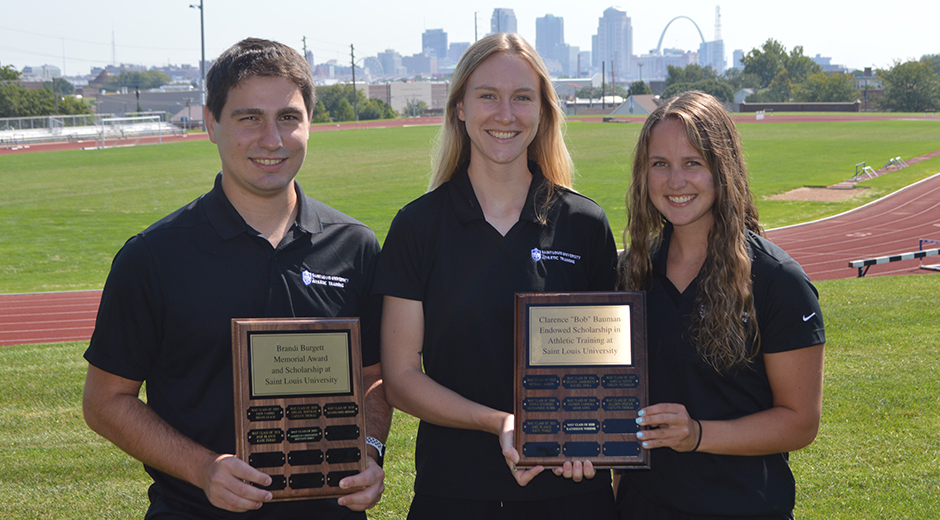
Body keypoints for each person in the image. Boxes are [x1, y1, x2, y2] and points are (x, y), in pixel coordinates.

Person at [82, 38, 391, 520]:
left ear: (310, 124)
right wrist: (203, 468)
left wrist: (370, 450)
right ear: (211, 123)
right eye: (250, 118)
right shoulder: (153, 256)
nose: (272, 139)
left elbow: (374, 377)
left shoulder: (355, 246)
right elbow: (105, 401)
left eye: (288, 118)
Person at [375, 33, 620, 519]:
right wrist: (500, 423)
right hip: (454, 492)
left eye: (522, 97)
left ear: (543, 112)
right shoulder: (418, 227)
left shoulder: (584, 224)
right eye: (487, 95)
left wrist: (589, 431)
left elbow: (610, 368)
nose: (504, 113)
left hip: (570, 491)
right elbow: (400, 378)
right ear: (460, 108)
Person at [615, 91, 825, 520]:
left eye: (693, 163)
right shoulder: (629, 273)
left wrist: (697, 434)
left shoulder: (776, 280)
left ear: (722, 168)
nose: (675, 182)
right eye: (660, 164)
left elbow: (800, 421)